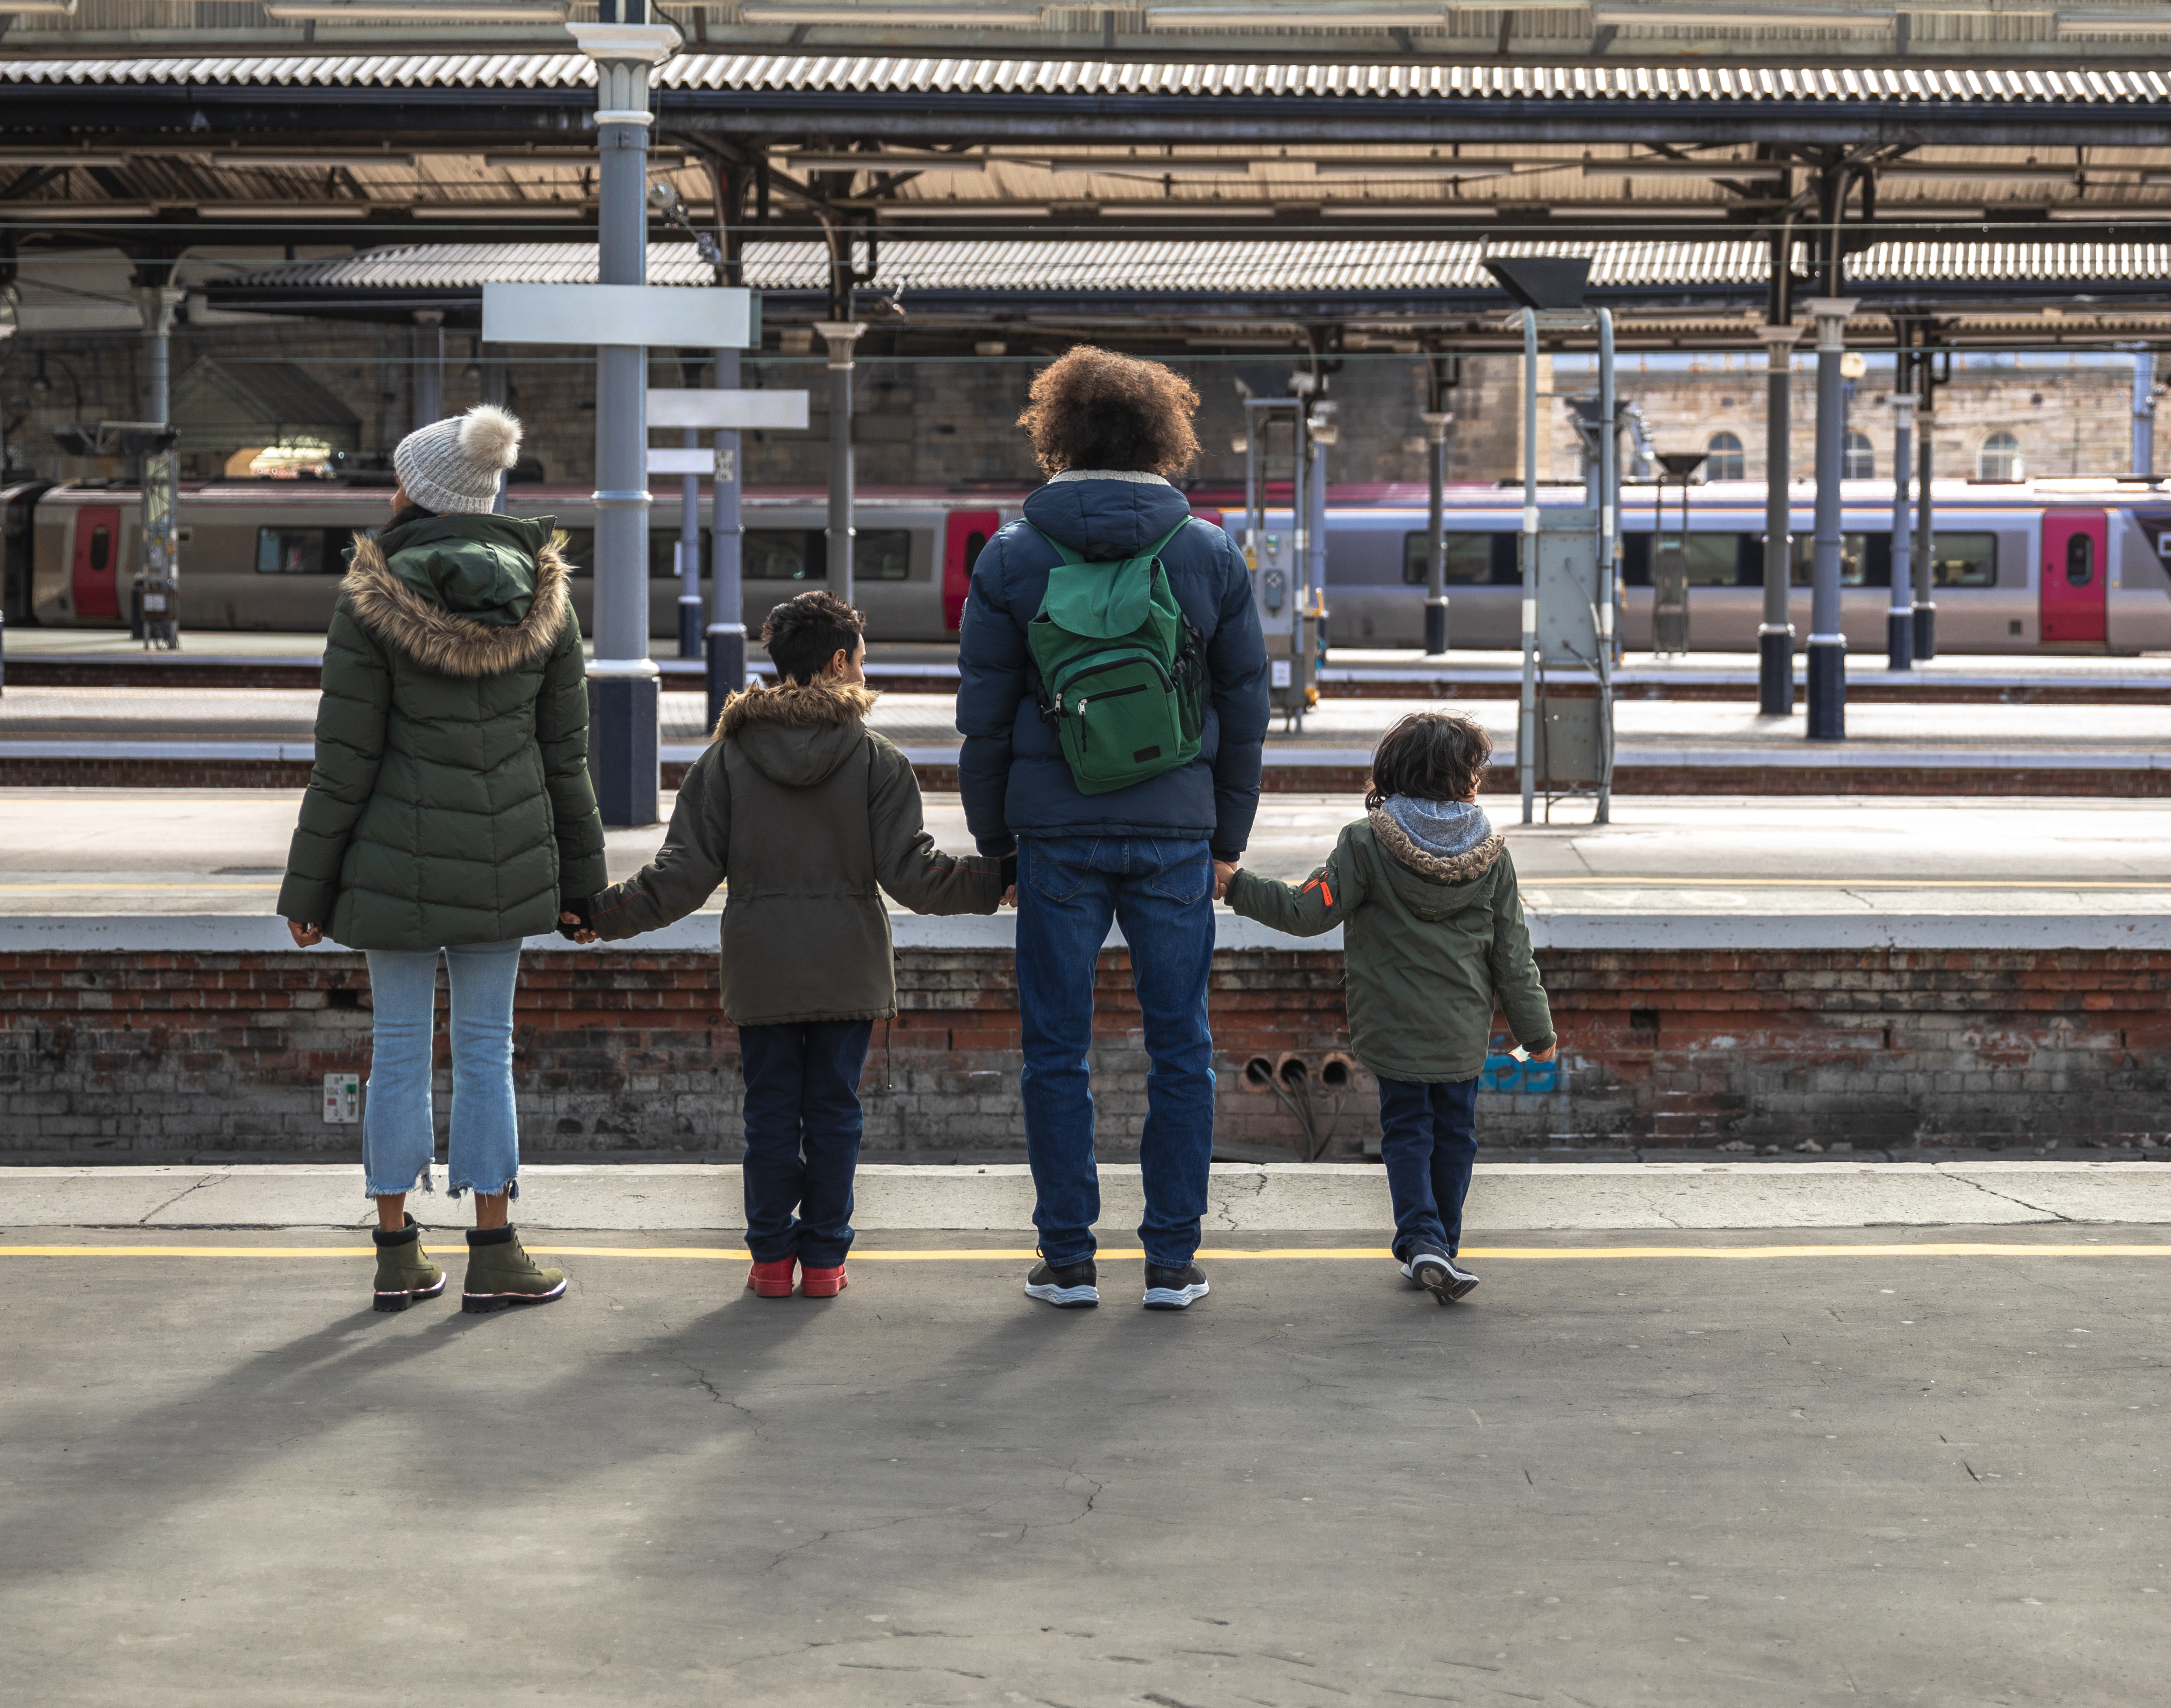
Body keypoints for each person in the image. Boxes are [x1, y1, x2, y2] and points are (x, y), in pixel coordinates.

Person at [575, 589, 1005, 1299]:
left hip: (762, 967)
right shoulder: (876, 761)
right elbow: (918, 878)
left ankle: (772, 1262)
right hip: (848, 969)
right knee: (834, 1111)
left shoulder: (726, 762)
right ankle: (827, 1263)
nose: (865, 674)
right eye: (862, 662)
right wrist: (998, 882)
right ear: (839, 662)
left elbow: (678, 878)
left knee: (771, 1112)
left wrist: (601, 915)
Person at [275, 403, 604, 1318]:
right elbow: (564, 761)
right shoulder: (548, 602)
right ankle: (495, 1249)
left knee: (396, 1053)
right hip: (507, 866)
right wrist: (585, 890)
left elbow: (345, 763)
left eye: (398, 479)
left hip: (389, 868)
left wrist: (310, 891)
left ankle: (395, 1252)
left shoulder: (370, 599)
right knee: (489, 1053)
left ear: (419, 492)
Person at [956, 347, 1265, 1312]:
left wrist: (994, 842)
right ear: (1161, 437)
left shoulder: (1011, 554)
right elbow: (1245, 703)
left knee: (1057, 1049)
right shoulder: (1210, 550)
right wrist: (1227, 836)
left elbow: (982, 716)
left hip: (1054, 836)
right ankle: (1171, 1262)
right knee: (1182, 1047)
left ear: (1059, 435)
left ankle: (1069, 1260)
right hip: (1177, 833)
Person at [1221, 711, 1554, 1305]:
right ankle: (1440, 1245)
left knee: (1407, 1130)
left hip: (1392, 1030)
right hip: (1460, 1034)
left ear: (1394, 770)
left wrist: (1237, 884)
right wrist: (1538, 1032)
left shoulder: (1366, 843)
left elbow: (1307, 911)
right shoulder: (1492, 857)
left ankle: (1423, 1240)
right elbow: (1513, 956)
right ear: (1463, 777)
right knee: (1456, 1134)